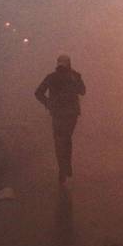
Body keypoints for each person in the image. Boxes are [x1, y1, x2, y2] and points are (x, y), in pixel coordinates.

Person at [35, 55, 87, 186]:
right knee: (66, 139)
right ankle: (66, 166)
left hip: (59, 114)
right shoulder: (73, 76)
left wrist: (47, 103)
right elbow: (83, 91)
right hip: (70, 114)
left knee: (59, 142)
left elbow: (38, 93)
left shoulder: (51, 77)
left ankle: (63, 168)